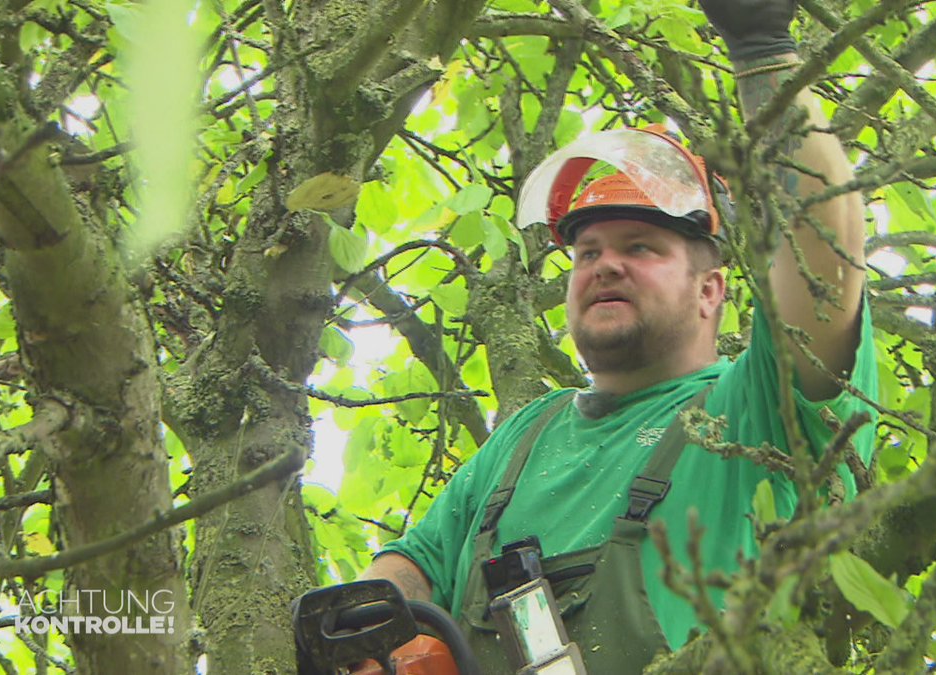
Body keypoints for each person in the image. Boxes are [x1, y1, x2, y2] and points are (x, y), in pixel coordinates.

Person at [358, 1, 877, 672]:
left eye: (641, 246)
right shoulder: (523, 438)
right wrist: (372, 625)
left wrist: (763, 50)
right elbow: (416, 561)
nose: (606, 263)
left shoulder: (752, 407)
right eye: (587, 251)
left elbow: (823, 264)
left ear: (710, 290)